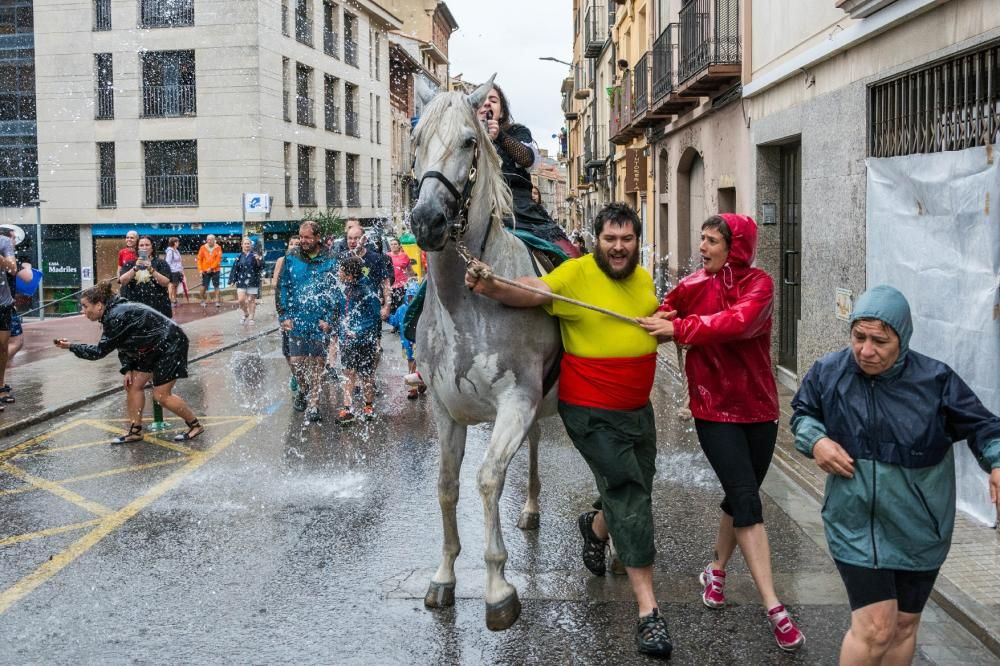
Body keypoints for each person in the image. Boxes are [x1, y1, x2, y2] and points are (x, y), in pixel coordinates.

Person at [465, 202, 673, 659]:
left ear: (637, 242)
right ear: (595, 241)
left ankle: (595, 528)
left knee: (640, 485)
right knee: (628, 493)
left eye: (627, 240)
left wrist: (669, 326)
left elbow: (659, 319)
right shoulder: (576, 274)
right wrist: (492, 285)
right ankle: (648, 612)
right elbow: (532, 290)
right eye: (610, 239)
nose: (618, 248)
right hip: (591, 411)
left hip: (637, 411)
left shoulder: (641, 279)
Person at [791, 285, 1000, 666]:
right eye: (859, 337)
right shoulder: (829, 372)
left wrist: (997, 461)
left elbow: (985, 427)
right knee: (875, 628)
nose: (866, 351)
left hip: (919, 527)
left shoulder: (935, 381)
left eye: (879, 341)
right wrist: (816, 441)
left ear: (901, 340)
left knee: (904, 624)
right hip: (854, 522)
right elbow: (803, 414)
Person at [638, 213, 804, 652]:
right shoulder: (693, 285)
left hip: (760, 410)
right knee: (748, 499)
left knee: (738, 495)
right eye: (702, 239)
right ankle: (774, 608)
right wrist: (656, 322)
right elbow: (660, 315)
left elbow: (738, 323)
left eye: (712, 241)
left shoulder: (761, 286)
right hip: (713, 409)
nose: (703, 248)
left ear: (738, 247)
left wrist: (680, 328)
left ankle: (716, 570)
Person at [55, 282, 204, 444]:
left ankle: (195, 425)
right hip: (152, 346)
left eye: (84, 306)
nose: (83, 311)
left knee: (161, 395)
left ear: (99, 305)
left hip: (171, 343)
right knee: (133, 385)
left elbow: (99, 352)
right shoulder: (113, 312)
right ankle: (135, 431)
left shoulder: (115, 316)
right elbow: (124, 342)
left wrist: (71, 346)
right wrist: (128, 368)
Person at [477, 85, 578, 257]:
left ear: (501, 112)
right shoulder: (465, 137)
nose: (487, 104)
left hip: (518, 208)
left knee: (569, 254)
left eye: (493, 100)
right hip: (479, 209)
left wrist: (499, 136)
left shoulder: (517, 132)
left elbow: (526, 159)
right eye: (481, 101)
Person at [276, 221, 339, 422]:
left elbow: (336, 291)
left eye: (307, 237)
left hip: (320, 320)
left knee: (318, 363)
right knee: (296, 362)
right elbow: (282, 286)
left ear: (317, 237)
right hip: (296, 318)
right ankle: (303, 389)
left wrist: (330, 319)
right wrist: (284, 315)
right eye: (301, 237)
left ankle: (314, 404)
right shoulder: (291, 257)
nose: (303, 241)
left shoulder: (330, 258)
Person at [334, 255, 382, 424]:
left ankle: (368, 406)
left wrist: (373, 338)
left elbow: (376, 316)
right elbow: (340, 312)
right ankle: (347, 409)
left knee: (367, 374)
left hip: (364, 340)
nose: (338, 272)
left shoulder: (367, 290)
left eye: (341, 270)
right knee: (348, 373)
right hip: (347, 341)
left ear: (350, 275)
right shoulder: (343, 289)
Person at [0, 224, 31, 406]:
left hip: (3, 304)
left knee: (3, 348)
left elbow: (12, 269)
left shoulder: (4, 242)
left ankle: (1, 386)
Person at [344, 224, 391, 321]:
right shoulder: (343, 258)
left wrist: (387, 306)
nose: (352, 242)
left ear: (364, 240)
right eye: (350, 238)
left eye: (356, 238)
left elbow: (386, 283)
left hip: (371, 310)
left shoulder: (375, 258)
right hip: (349, 311)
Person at [118, 236, 173, 318]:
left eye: (147, 245)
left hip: (158, 308)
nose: (144, 247)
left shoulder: (161, 263)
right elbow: (122, 281)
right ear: (137, 248)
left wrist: (151, 269)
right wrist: (135, 268)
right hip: (134, 309)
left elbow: (165, 283)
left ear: (152, 248)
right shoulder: (130, 264)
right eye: (141, 245)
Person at [387, 280, 424, 399]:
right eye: (410, 297)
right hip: (406, 342)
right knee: (411, 361)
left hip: (419, 341)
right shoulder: (401, 309)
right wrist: (385, 317)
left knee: (415, 362)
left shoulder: (422, 308)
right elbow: (394, 321)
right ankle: (419, 382)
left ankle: (414, 387)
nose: (412, 299)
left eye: (414, 297)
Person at [272, 234, 300, 391]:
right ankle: (295, 374)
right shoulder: (281, 261)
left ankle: (302, 375)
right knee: (287, 349)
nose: (294, 246)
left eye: (297, 243)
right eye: (291, 243)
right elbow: (275, 284)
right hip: (285, 310)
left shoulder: (305, 262)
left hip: (301, 311)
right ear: (287, 246)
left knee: (301, 348)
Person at [229, 237, 263, 325]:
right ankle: (245, 313)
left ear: (251, 245)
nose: (247, 245)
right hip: (241, 281)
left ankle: (251, 317)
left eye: (248, 244)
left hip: (253, 280)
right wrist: (232, 280)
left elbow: (261, 267)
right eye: (245, 243)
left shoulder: (255, 255)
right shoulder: (239, 256)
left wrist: (258, 261)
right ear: (242, 245)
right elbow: (235, 268)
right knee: (241, 300)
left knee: (251, 300)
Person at [386, 237, 412, 313]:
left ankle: (400, 322)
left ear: (399, 246)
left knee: (400, 307)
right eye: (391, 244)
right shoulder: (386, 256)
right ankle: (395, 323)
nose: (393, 246)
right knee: (391, 308)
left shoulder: (404, 256)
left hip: (401, 285)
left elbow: (410, 270)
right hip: (389, 286)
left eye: (395, 244)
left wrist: (412, 281)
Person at [197, 234, 223, 308]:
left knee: (216, 286)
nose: (209, 241)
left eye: (211, 239)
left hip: (215, 270)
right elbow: (199, 259)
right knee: (204, 286)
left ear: (214, 240)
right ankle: (202, 300)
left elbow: (218, 260)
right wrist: (200, 270)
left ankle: (217, 301)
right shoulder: (202, 248)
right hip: (205, 271)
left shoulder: (218, 248)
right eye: (208, 239)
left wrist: (211, 268)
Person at [164, 236, 185, 306]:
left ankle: (174, 300)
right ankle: (171, 300)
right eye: (177, 242)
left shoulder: (176, 250)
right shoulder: (170, 251)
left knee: (175, 286)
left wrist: (181, 270)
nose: (178, 243)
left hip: (177, 271)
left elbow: (179, 261)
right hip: (173, 271)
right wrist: (170, 271)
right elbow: (168, 262)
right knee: (172, 286)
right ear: (174, 243)